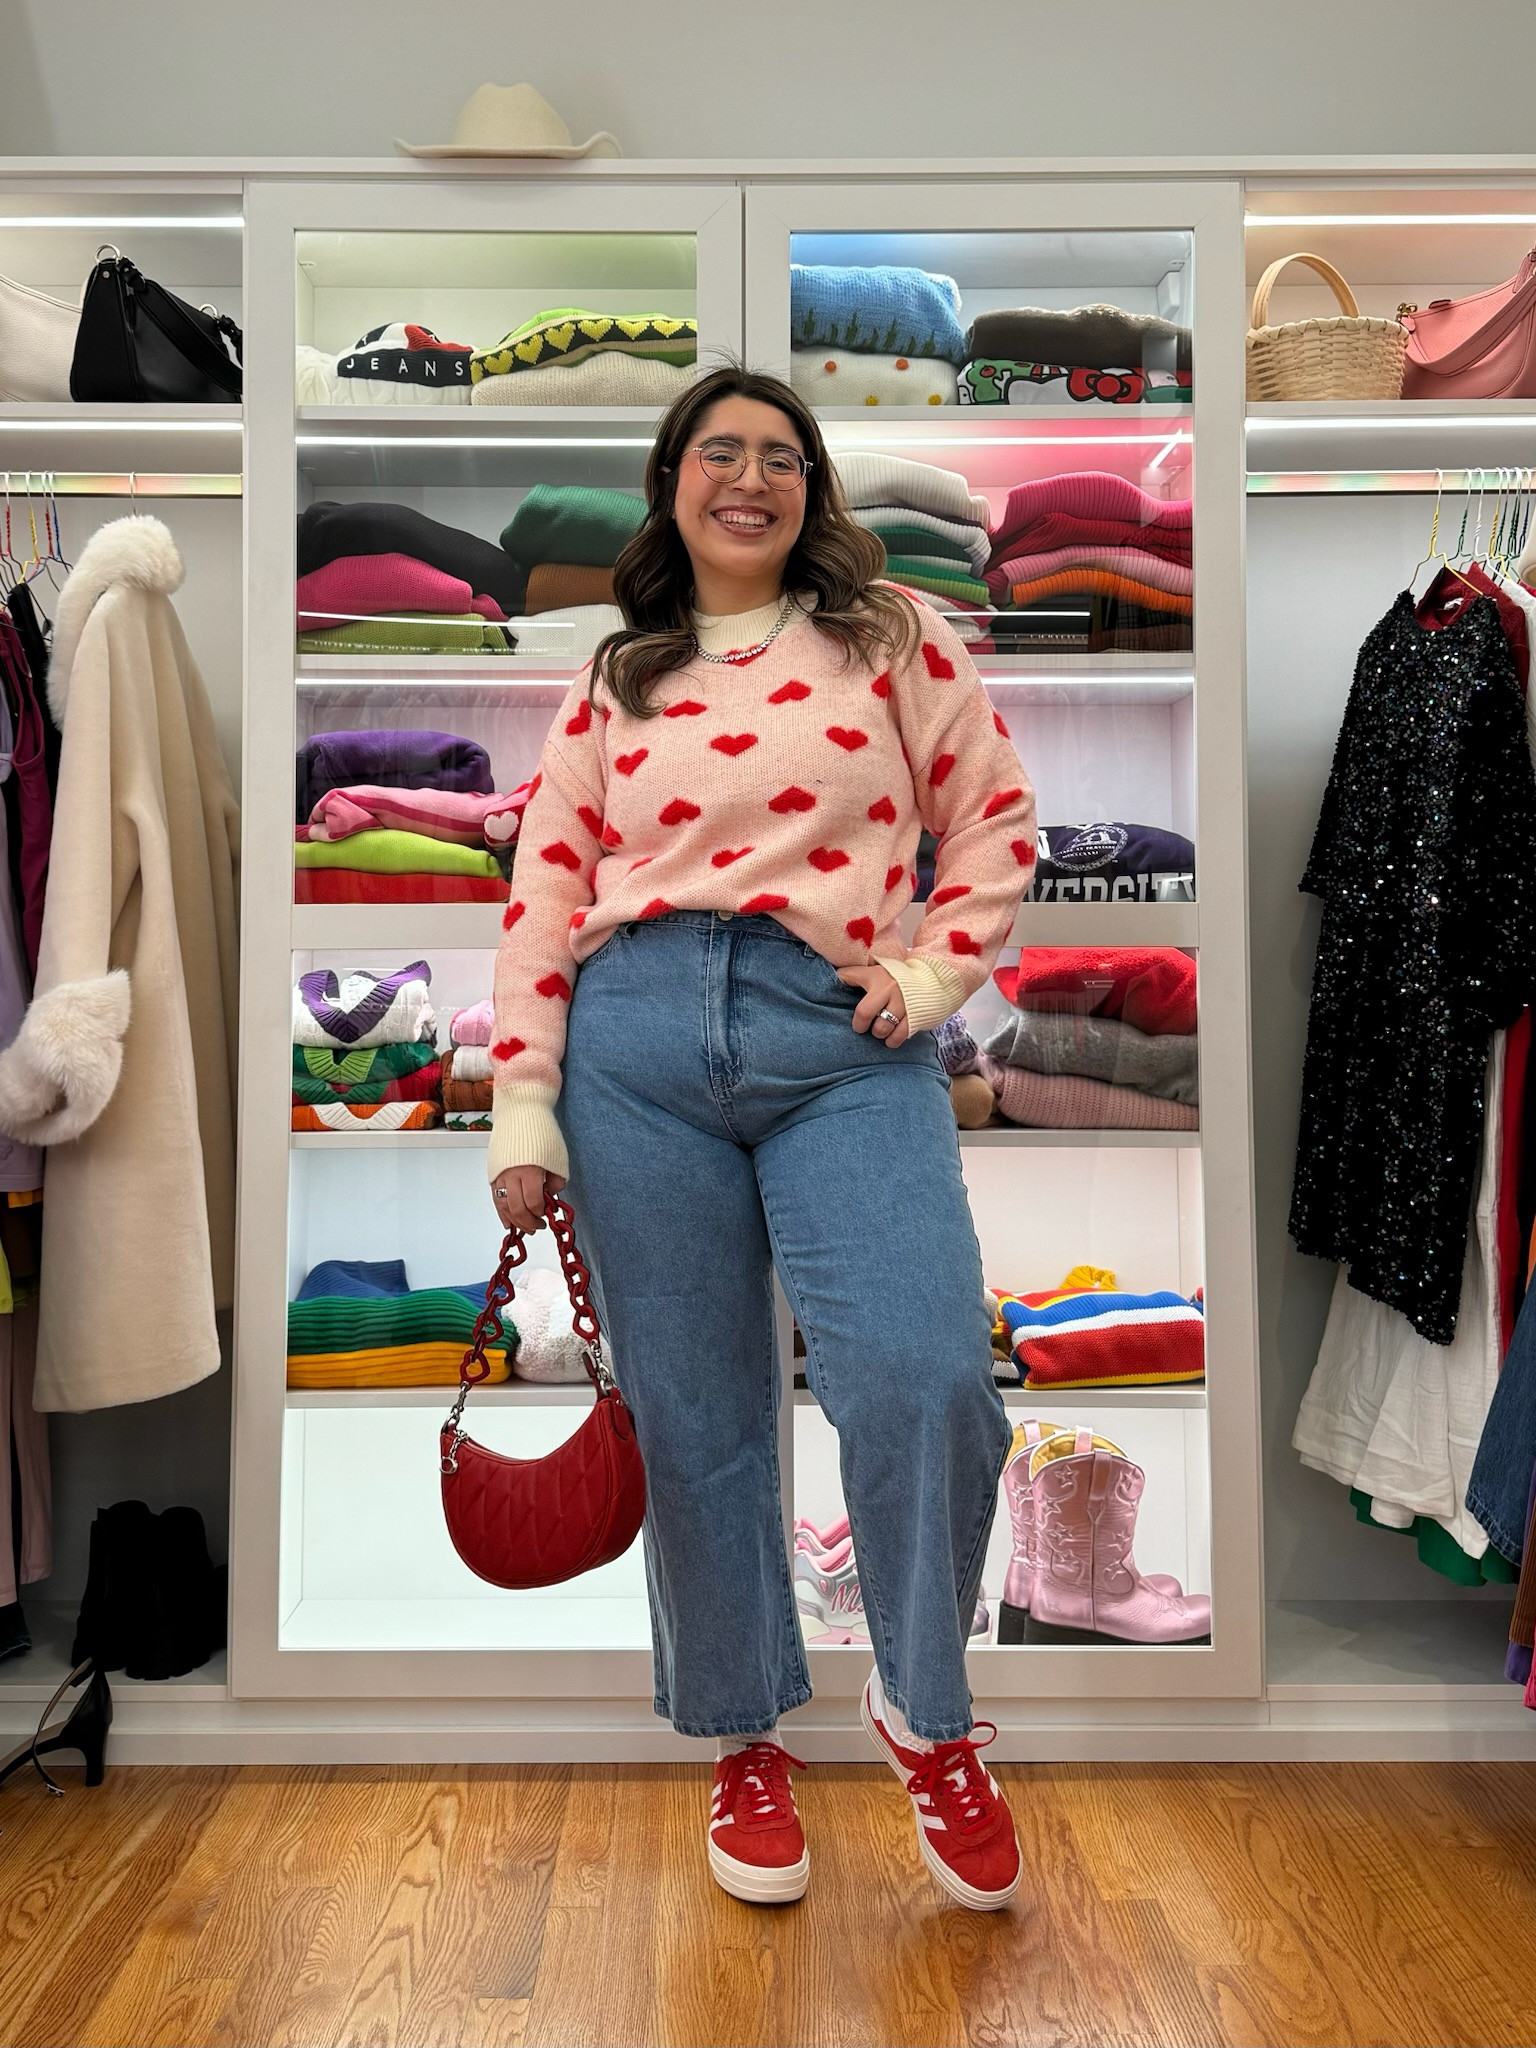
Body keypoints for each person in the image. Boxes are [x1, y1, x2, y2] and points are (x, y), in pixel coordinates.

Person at [488, 363, 1036, 1911]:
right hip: (636, 1050)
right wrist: (523, 1100)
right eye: (718, 453)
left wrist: (930, 972)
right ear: (672, 485)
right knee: (703, 1414)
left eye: (781, 458)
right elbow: (540, 890)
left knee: (923, 1372)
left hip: (841, 1042)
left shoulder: (891, 637)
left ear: (813, 491)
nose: (751, 478)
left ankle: (928, 1715)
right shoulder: (615, 676)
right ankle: (740, 1735)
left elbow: (994, 814)